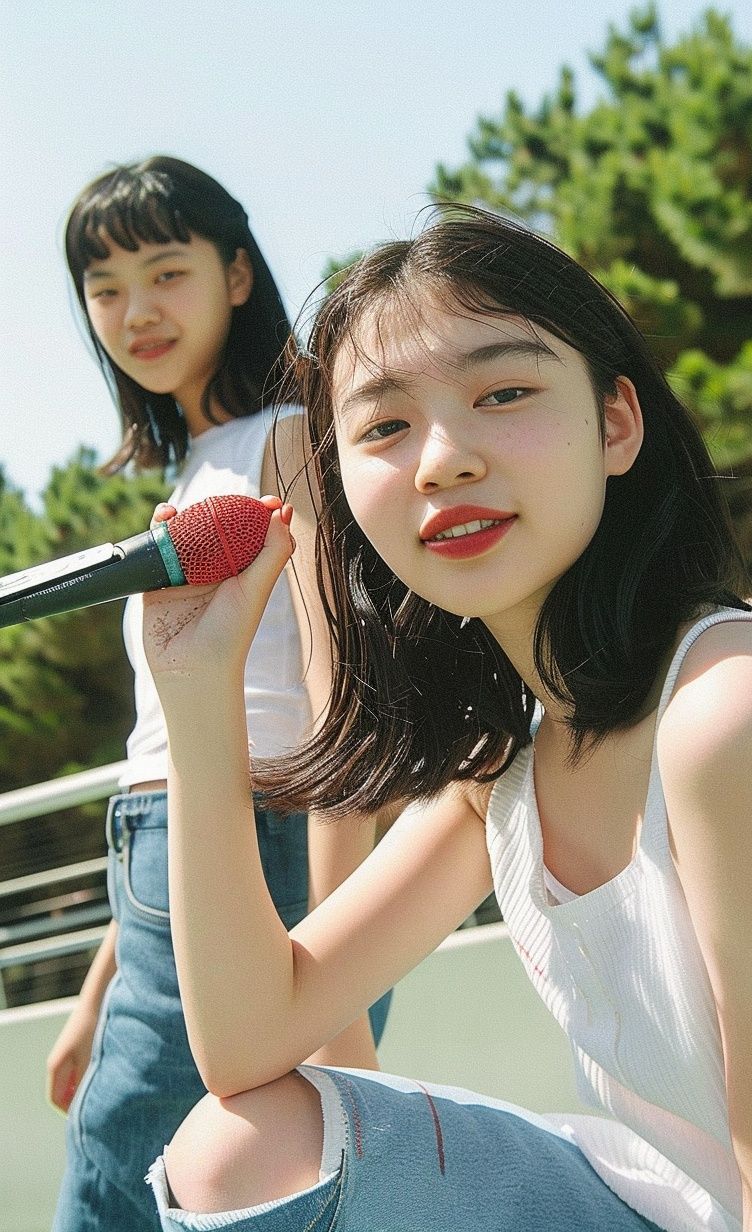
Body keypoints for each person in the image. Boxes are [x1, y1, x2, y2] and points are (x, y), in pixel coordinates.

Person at [143, 208, 752, 1231]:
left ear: (616, 423)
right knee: (241, 1145)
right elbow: (249, 1040)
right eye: (383, 426)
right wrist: (198, 689)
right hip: (665, 1209)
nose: (442, 460)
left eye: (502, 392)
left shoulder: (733, 708)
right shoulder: (506, 768)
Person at [45, 156, 392, 1231]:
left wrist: (341, 941)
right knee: (226, 1173)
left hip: (270, 839)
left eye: (166, 271)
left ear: (237, 274)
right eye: (105, 288)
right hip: (178, 851)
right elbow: (168, 746)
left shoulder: (286, 440)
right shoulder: (195, 472)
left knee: (123, 1173)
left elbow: (340, 697)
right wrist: (97, 996)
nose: (136, 311)